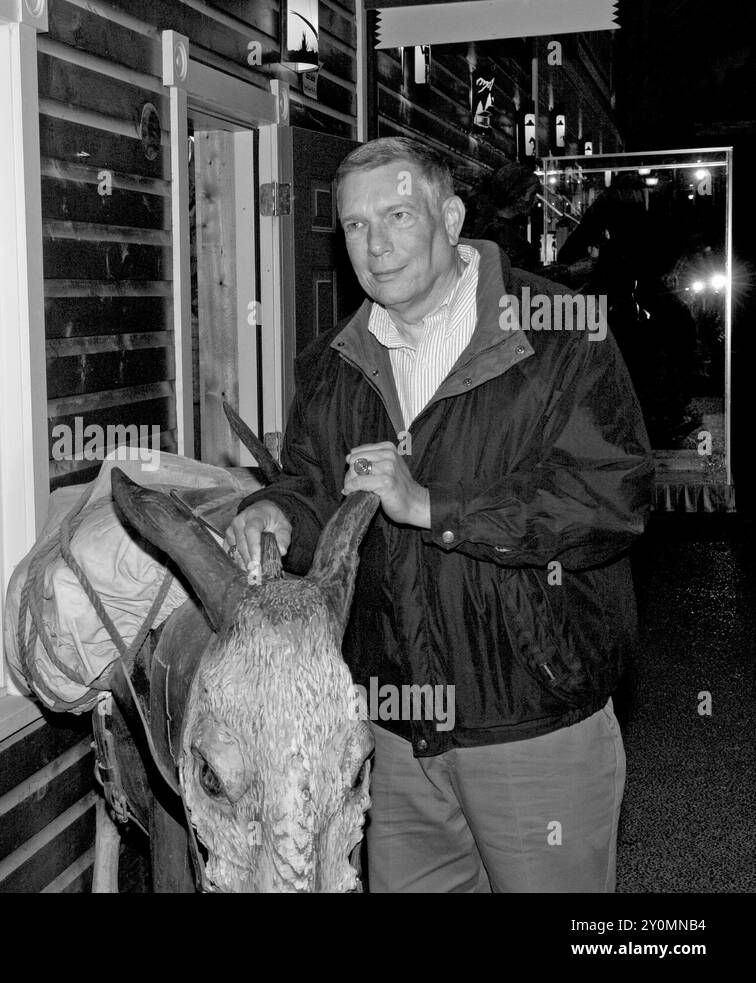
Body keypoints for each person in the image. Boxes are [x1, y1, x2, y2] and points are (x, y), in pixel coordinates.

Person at [226, 137, 654, 892]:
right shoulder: (333, 363)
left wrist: (433, 505)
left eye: (397, 214)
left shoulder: (557, 329)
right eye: (355, 226)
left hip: (532, 716)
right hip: (392, 730)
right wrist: (277, 513)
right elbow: (317, 486)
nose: (375, 244)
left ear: (450, 216)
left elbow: (610, 498)